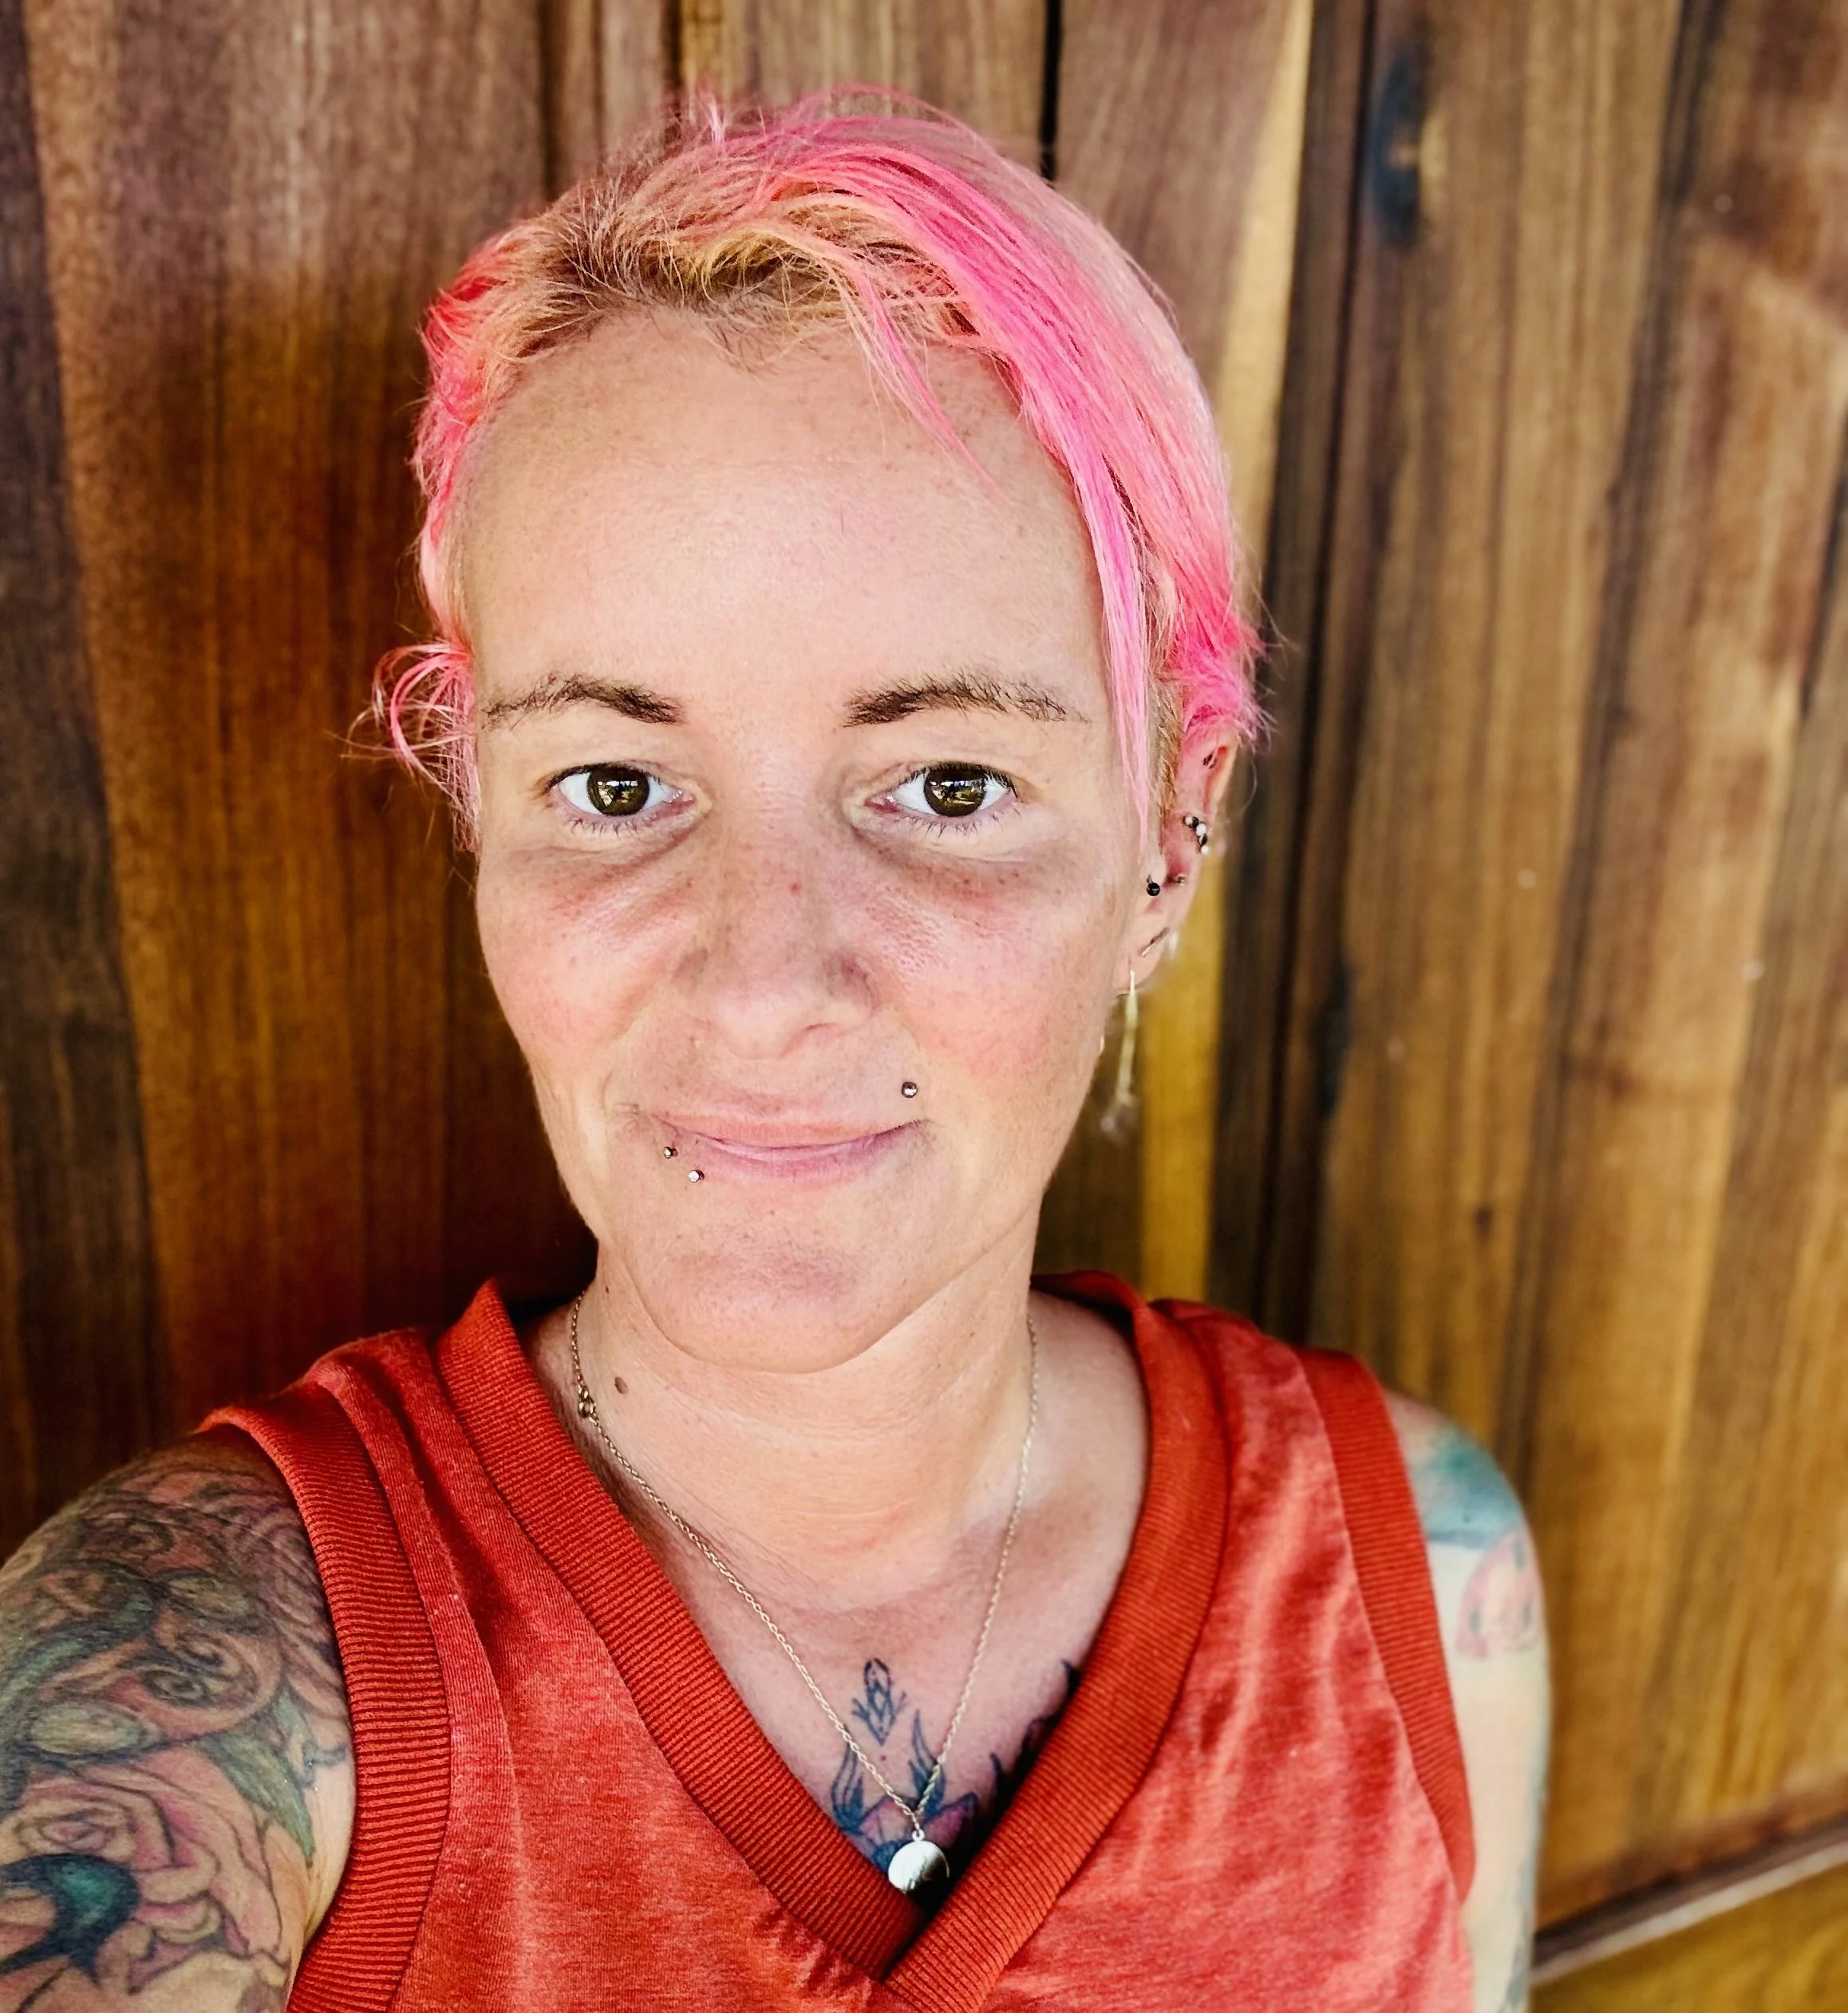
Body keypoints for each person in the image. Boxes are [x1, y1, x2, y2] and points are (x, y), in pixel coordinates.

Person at [0, 95, 1549, 2013]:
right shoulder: (206, 1681)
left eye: (949, 785)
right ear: (482, 814)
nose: (758, 985)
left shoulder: (1425, 1576)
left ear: (1171, 834)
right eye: (616, 784)